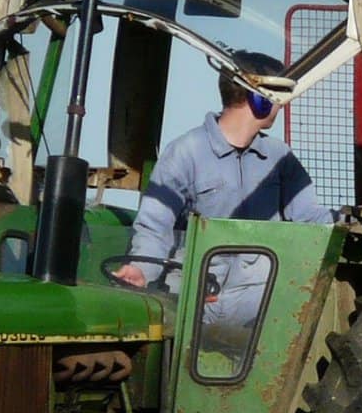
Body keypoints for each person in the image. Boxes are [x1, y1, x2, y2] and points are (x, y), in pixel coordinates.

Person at [116, 52, 333, 344]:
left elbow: (310, 217)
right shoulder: (186, 152)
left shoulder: (280, 158)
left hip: (258, 300)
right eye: (278, 96)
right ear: (259, 99)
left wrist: (349, 220)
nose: (282, 105)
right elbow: (156, 226)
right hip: (199, 302)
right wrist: (141, 270)